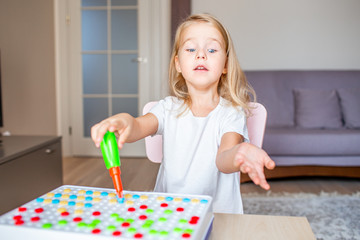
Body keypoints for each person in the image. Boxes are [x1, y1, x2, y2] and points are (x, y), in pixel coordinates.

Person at [91, 13, 275, 214]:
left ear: (225, 65)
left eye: (212, 49)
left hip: (217, 216)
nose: (201, 54)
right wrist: (124, 120)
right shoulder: (168, 108)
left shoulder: (231, 113)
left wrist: (240, 152)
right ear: (178, 64)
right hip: (168, 213)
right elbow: (138, 126)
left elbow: (223, 159)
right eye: (191, 49)